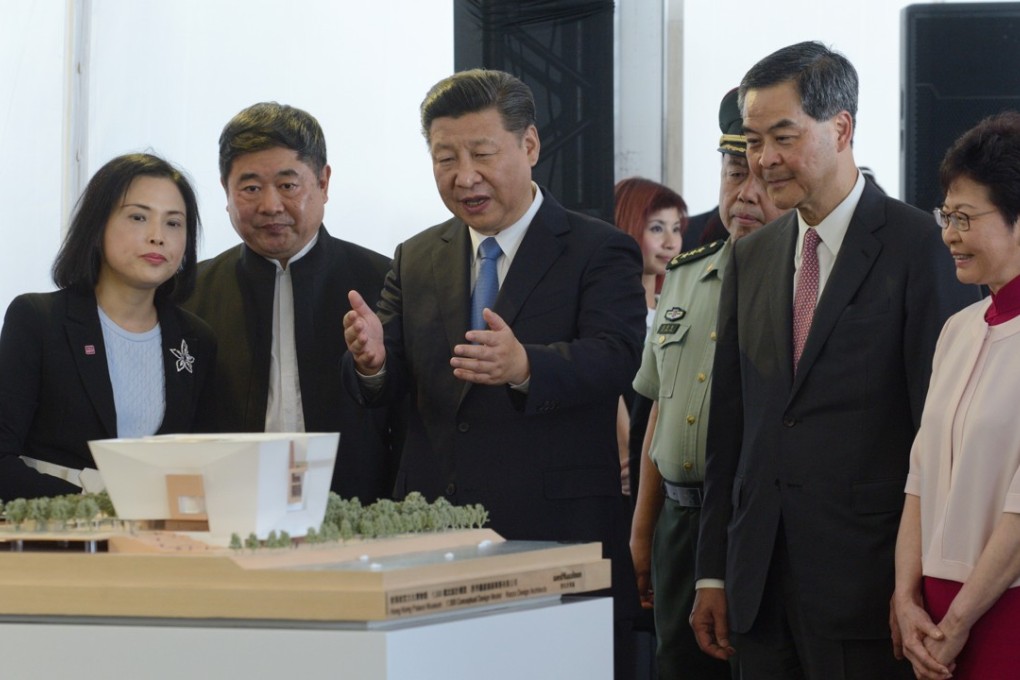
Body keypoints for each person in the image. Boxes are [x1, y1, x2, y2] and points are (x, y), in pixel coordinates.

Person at [689, 41, 980, 680]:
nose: (763, 160)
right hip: (757, 589)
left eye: (782, 138)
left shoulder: (920, 250)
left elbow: (941, 438)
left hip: (871, 590)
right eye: (752, 140)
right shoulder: (750, 256)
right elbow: (731, 431)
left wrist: (920, 587)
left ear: (841, 127)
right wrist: (713, 569)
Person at [342, 69, 646, 679]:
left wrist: (528, 365)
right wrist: (372, 364)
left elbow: (619, 355)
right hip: (435, 538)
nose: (464, 176)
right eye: (444, 158)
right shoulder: (416, 254)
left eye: (482, 154)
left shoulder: (597, 248)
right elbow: (391, 383)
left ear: (529, 146)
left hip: (556, 536)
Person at [629, 87, 787, 680]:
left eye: (761, 178)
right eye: (732, 171)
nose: (745, 193)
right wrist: (643, 532)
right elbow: (658, 414)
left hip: (758, 529)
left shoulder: (803, 287)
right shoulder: (687, 277)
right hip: (679, 522)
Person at [183, 102, 398, 502]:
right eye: (250, 188)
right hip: (228, 508)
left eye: (288, 185)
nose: (270, 206)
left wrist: (374, 369)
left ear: (323, 183)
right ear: (225, 193)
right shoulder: (190, 293)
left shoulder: (386, 281)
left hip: (358, 513)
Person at [0, 153, 215, 500]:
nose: (157, 236)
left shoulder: (197, 339)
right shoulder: (37, 319)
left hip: (155, 541)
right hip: (54, 536)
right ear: (97, 226)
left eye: (174, 223)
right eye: (138, 217)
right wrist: (92, 507)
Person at [894, 111, 1020, 680]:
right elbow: (919, 478)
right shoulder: (959, 329)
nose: (948, 234)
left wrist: (961, 620)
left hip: (1004, 608)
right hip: (932, 612)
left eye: (965, 218)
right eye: (947, 215)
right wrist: (904, 596)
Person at [612, 178, 686, 497]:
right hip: (621, 470)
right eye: (657, 228)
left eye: (676, 228)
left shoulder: (675, 306)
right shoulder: (607, 307)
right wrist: (627, 450)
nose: (671, 242)